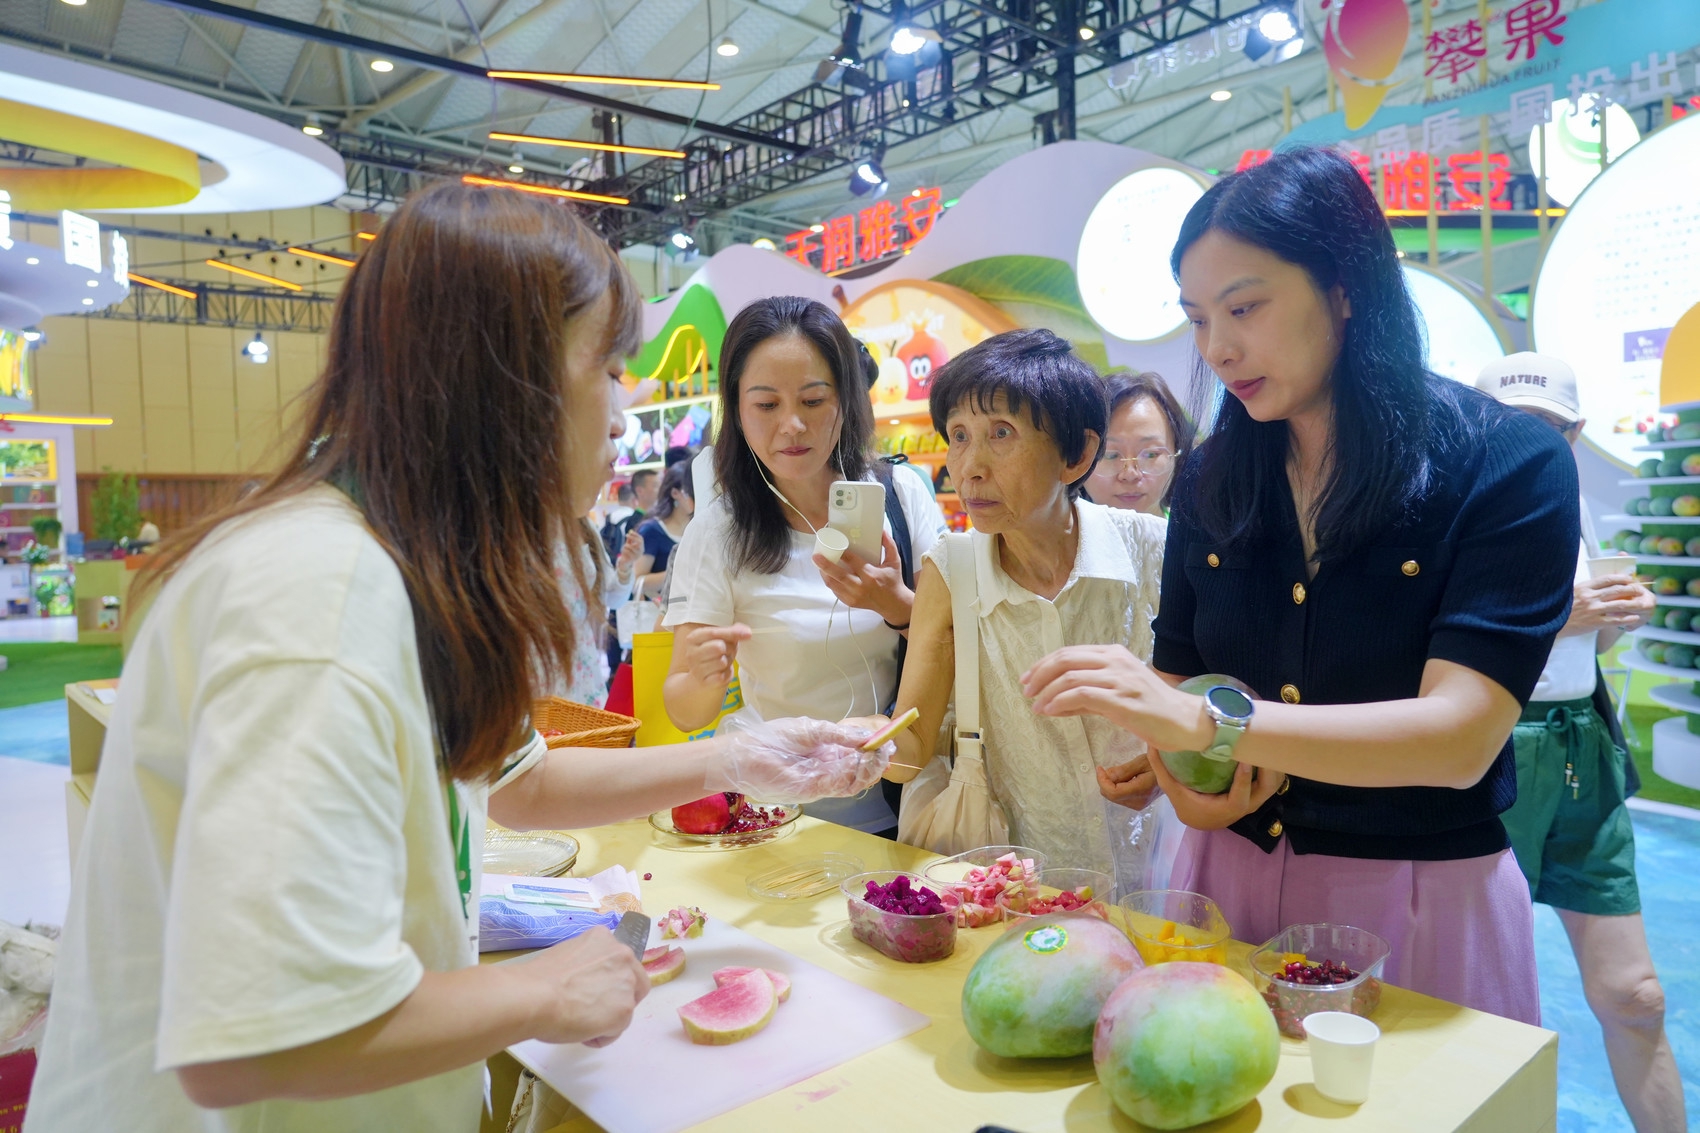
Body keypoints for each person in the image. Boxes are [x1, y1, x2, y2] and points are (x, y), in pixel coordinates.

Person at [23, 182, 889, 1133]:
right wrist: (543, 992)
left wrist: (740, 757)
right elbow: (255, 1034)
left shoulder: (396, 567)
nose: (620, 415)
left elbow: (519, 782)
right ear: (503, 380)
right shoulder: (319, 596)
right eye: (606, 368)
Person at [1020, 148, 1578, 1023]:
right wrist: (1179, 778)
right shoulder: (1210, 479)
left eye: (1245, 307)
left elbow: (1459, 737)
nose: (1219, 347)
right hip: (1224, 880)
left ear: (1345, 288)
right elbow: (1181, 672)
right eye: (1198, 318)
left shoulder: (1507, 462)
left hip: (1419, 895)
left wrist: (1208, 725)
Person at [1477, 353, 1683, 1132]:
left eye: (1549, 429)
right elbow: (1431, 642)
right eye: (1510, 426)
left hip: (1579, 744)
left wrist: (1611, 617)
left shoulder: (1573, 505)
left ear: (1576, 432)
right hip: (1488, 747)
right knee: (1481, 999)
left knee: (1636, 994)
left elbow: (1580, 652)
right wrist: (1568, 615)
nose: (1529, 444)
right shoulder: (1450, 505)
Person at [880, 329, 1167, 886]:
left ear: (1076, 454)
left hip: (1153, 869)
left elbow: (1204, 697)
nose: (969, 467)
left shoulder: (1153, 549)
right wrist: (857, 745)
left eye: (1001, 433)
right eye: (958, 436)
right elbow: (910, 747)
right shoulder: (951, 570)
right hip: (1020, 884)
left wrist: (1170, 760)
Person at [664, 296, 947, 836]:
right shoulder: (720, 529)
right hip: (771, 818)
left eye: (814, 400)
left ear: (846, 400)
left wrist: (898, 608)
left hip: (900, 809)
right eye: (766, 405)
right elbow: (685, 711)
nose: (792, 425)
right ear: (737, 410)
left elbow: (954, 646)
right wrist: (704, 677)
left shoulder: (902, 496)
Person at [1083, 370, 1193, 516]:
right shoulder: (1056, 530)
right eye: (1110, 455)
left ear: (1176, 455)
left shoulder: (1197, 530)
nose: (1130, 475)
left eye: (1151, 454)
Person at [632, 461, 695, 601]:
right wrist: (677, 573)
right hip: (657, 610)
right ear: (675, 493)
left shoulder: (697, 528)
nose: (695, 498)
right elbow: (636, 581)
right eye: (691, 493)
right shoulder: (652, 530)